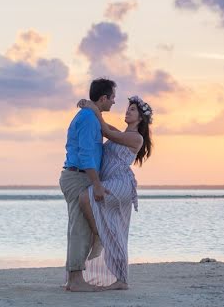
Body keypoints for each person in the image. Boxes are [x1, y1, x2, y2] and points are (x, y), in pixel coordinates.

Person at [75, 94, 153, 290]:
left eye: (133, 109)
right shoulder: (121, 132)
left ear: (141, 118)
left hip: (121, 183)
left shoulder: (136, 138)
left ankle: (99, 235)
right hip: (110, 181)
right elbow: (106, 127)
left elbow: (106, 132)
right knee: (116, 231)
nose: (127, 111)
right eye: (128, 108)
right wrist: (91, 108)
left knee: (86, 198)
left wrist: (93, 108)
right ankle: (120, 280)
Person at [59, 78, 115, 292]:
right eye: (112, 98)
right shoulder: (88, 118)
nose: (114, 102)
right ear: (104, 98)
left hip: (79, 175)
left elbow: (112, 132)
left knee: (78, 226)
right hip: (79, 176)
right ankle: (75, 280)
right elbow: (85, 155)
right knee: (80, 228)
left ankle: (74, 277)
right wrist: (97, 183)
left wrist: (95, 111)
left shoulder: (91, 116)